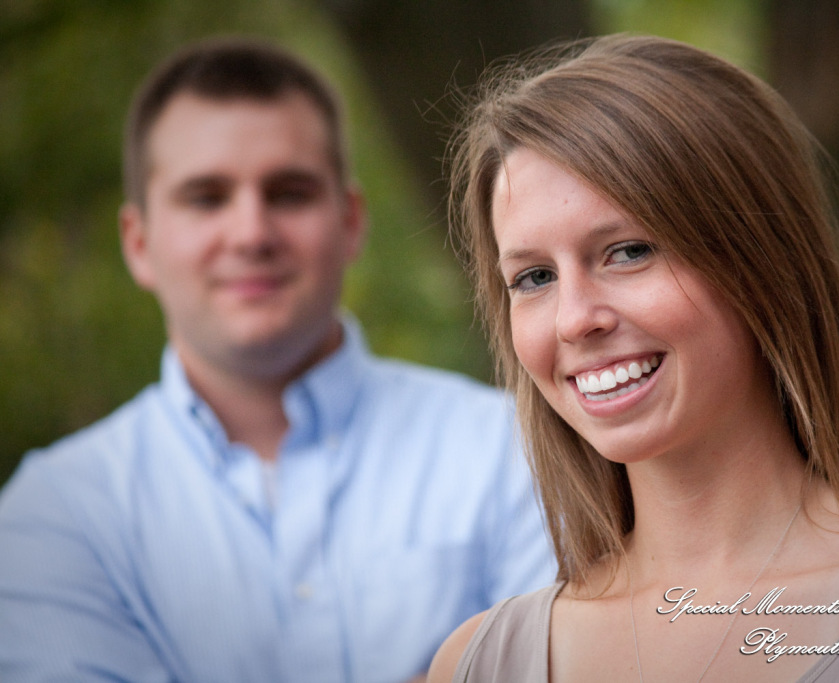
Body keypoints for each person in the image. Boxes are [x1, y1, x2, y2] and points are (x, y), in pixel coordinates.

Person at [430, 34, 839, 682]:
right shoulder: (477, 661)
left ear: (761, 262)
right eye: (535, 277)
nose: (575, 318)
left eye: (628, 251)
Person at [0, 38, 554, 683]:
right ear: (140, 242)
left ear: (349, 222)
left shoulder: (516, 451)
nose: (252, 234)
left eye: (289, 193)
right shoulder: (54, 514)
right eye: (206, 198)